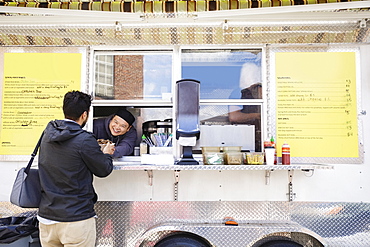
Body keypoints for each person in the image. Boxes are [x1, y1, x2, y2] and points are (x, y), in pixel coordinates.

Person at [38, 90, 114, 247]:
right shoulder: (85, 139)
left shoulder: (47, 134)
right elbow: (103, 170)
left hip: (46, 219)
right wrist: (106, 154)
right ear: (85, 115)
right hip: (76, 219)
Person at [229, 62, 262, 151]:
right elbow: (233, 117)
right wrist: (257, 116)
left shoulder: (264, 91)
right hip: (242, 137)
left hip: (262, 138)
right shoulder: (238, 93)